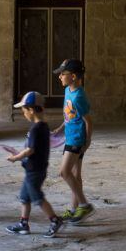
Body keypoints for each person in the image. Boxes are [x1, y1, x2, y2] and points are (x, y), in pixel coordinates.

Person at [5, 91, 64, 238]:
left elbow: (30, 150)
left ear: (31, 110)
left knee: (37, 198)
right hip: (35, 169)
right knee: (24, 197)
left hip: (34, 171)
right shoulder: (44, 126)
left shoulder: (36, 129)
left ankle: (55, 220)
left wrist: (16, 157)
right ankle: (23, 224)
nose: (23, 113)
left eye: (24, 110)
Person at [52, 59, 94, 224]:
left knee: (64, 172)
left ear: (74, 76)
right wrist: (61, 127)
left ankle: (84, 204)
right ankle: (74, 209)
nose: (60, 77)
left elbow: (88, 121)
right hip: (70, 135)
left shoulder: (79, 96)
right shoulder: (69, 90)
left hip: (77, 139)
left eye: (63, 74)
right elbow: (70, 114)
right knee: (75, 175)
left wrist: (87, 141)